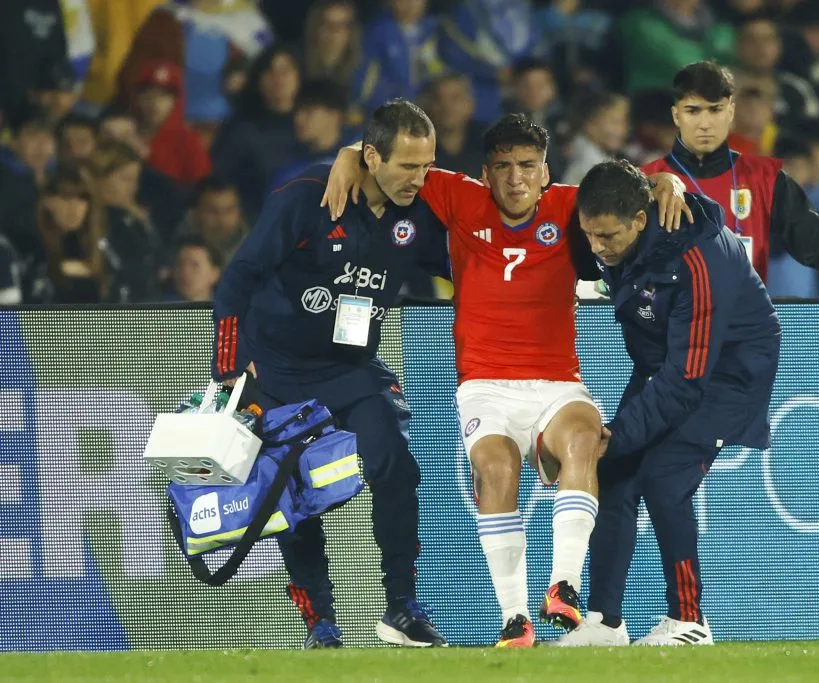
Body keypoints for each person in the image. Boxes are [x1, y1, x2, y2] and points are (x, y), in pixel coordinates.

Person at [321, 113, 691, 647]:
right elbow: (383, 155)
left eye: (527, 166)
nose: (516, 179)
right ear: (485, 173)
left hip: (556, 381)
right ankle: (515, 619)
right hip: (486, 384)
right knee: (496, 468)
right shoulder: (456, 197)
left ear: (545, 172)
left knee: (587, 437)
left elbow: (639, 181)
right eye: (503, 167)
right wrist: (346, 156)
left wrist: (670, 181)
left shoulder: (571, 205)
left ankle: (563, 585)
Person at [212, 99, 450, 649]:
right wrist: (229, 367)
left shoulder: (419, 214)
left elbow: (472, 259)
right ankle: (320, 622)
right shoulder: (307, 198)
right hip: (276, 372)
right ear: (371, 156)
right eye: (408, 167)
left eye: (427, 166)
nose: (420, 179)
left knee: (394, 464)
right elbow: (237, 280)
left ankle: (402, 609)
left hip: (351, 368)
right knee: (289, 497)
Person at [556, 159, 781, 646]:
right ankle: (605, 624)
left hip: (728, 375)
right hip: (666, 365)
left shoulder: (698, 260)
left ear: (640, 221)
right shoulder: (622, 215)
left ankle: (689, 622)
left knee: (663, 479)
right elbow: (625, 181)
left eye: (607, 238)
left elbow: (687, 380)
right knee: (614, 477)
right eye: (589, 235)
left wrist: (614, 436)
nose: (596, 249)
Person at [642, 61, 819, 300]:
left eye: (715, 110)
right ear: (676, 115)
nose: (705, 123)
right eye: (693, 110)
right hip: (668, 338)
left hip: (742, 335)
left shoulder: (765, 179)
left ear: (730, 113)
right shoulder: (644, 183)